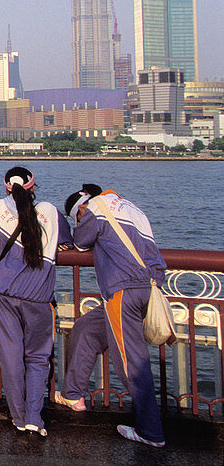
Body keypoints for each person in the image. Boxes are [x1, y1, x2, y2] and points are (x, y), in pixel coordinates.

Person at [54, 184, 167, 447]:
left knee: (131, 363)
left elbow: (81, 242)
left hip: (123, 291)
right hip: (148, 287)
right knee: (87, 329)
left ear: (81, 208)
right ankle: (72, 394)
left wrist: (73, 228)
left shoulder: (94, 209)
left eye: (77, 217)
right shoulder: (131, 208)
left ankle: (151, 432)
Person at [0, 167, 71, 437]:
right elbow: (68, 241)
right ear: (33, 186)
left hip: (4, 294)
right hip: (40, 296)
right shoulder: (51, 211)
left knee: (11, 357)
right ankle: (33, 418)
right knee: (39, 358)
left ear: (6, 186)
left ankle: (18, 418)